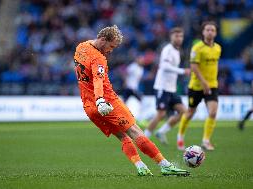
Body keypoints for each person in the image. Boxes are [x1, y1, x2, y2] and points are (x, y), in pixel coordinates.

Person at [74, 25, 189, 176]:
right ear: (103, 40)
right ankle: (165, 165)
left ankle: (140, 166)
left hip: (89, 106)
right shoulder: (99, 58)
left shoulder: (81, 47)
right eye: (111, 46)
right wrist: (101, 100)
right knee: (135, 131)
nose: (111, 50)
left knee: (123, 136)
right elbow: (98, 80)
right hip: (106, 102)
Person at [177, 21, 222, 151]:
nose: (210, 32)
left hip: (212, 85)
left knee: (213, 112)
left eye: (212, 30)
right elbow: (193, 67)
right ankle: (180, 136)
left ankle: (206, 141)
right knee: (190, 113)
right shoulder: (197, 48)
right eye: (207, 30)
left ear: (215, 33)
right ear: (203, 32)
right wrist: (203, 82)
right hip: (196, 86)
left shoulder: (218, 48)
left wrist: (210, 82)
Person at [144, 27, 190, 144]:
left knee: (183, 112)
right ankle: (143, 138)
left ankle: (161, 132)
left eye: (181, 36)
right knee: (161, 114)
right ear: (171, 37)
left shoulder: (178, 51)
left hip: (172, 88)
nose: (179, 38)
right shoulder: (167, 50)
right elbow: (164, 66)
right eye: (176, 36)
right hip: (162, 87)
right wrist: (182, 71)